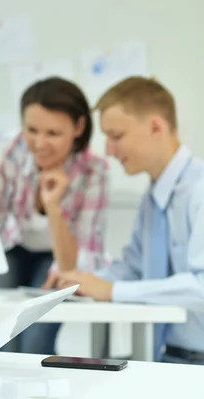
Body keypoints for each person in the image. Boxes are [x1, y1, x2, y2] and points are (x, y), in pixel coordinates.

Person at [52, 77, 204, 365]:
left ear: (156, 127)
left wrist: (111, 291)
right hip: (169, 358)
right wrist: (82, 281)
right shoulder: (152, 199)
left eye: (116, 136)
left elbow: (202, 286)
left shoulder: (200, 191)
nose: (109, 150)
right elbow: (134, 269)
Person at [0, 77, 108, 355]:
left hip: (57, 255)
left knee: (36, 340)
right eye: (31, 130)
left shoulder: (94, 171)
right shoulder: (8, 149)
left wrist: (54, 208)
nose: (39, 143)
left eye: (53, 133)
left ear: (78, 127)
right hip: (10, 246)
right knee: (3, 338)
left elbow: (71, 264)